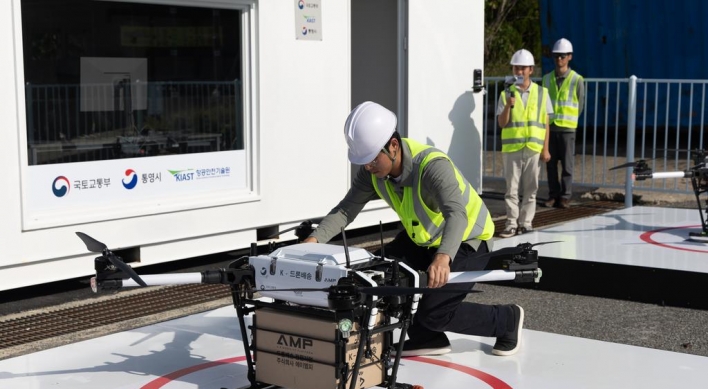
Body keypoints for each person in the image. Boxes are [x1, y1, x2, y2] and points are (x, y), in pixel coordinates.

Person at [303, 101, 524, 357]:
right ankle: (428, 337)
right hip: (424, 238)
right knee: (380, 276)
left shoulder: (431, 165)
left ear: (393, 146)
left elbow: (457, 214)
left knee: (435, 311)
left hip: (468, 239)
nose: (368, 167)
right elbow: (346, 210)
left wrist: (443, 257)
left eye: (372, 159)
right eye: (363, 161)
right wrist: (313, 240)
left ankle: (506, 320)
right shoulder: (372, 172)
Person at [496, 49, 553, 238]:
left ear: (530, 70)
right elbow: (502, 123)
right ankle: (511, 224)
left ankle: (526, 223)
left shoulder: (542, 93)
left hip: (533, 149)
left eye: (523, 68)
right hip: (512, 148)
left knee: (531, 189)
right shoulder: (506, 94)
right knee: (511, 189)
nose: (519, 72)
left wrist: (546, 149)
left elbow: (545, 123)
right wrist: (508, 106)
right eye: (516, 68)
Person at [542, 38, 585, 209]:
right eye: (556, 56)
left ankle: (565, 196)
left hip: (567, 128)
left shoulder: (576, 79)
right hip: (550, 128)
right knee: (551, 166)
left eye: (562, 56)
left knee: (567, 166)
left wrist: (570, 120)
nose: (559, 59)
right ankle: (553, 195)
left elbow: (580, 104)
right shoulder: (546, 79)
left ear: (569, 57)